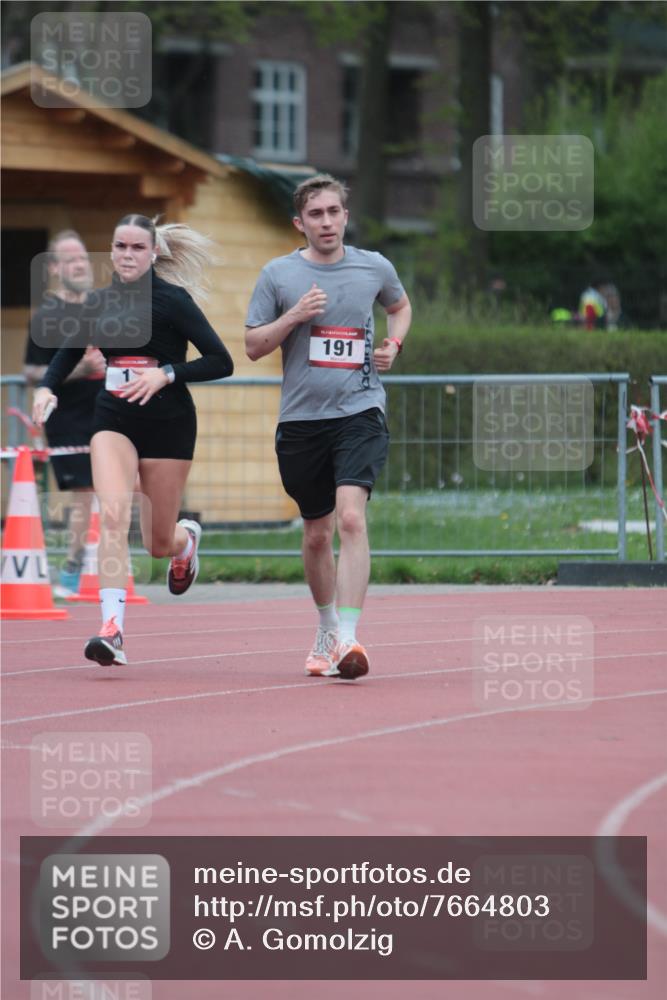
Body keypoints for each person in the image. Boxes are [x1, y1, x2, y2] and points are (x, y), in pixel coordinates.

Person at [33, 214, 234, 666]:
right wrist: (46, 388)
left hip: (169, 425)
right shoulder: (98, 302)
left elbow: (221, 361)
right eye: (120, 246)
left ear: (154, 253)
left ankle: (185, 542)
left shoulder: (173, 301)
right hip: (114, 420)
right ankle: (112, 629)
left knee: (158, 543)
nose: (127, 255)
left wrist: (167, 373)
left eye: (137, 247)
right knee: (112, 515)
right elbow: (66, 353)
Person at [245, 173, 412, 680]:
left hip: (360, 410)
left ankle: (348, 637)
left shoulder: (373, 266)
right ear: (300, 223)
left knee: (352, 519)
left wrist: (393, 344)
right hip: (302, 420)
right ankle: (326, 626)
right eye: (315, 214)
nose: (326, 222)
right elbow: (253, 346)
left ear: (345, 217)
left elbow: (400, 306)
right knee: (317, 534)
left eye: (334, 212)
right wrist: (294, 316)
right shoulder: (279, 275)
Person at [24, 230, 105, 596]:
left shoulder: (104, 307)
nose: (79, 265)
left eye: (83, 258)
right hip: (69, 417)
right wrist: (80, 369)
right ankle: (73, 572)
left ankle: (105, 568)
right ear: (55, 268)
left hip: (109, 411)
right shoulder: (47, 315)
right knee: (84, 492)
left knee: (120, 487)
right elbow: (31, 372)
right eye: (70, 260)